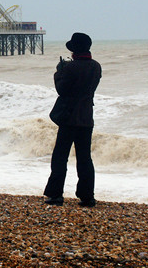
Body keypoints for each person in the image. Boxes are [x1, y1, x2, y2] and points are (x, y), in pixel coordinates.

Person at [44, 32, 102, 207]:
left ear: (75, 50)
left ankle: (55, 195)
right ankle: (87, 197)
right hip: (86, 118)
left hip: (69, 118)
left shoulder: (70, 68)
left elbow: (62, 90)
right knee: (85, 158)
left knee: (60, 157)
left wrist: (58, 73)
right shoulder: (96, 66)